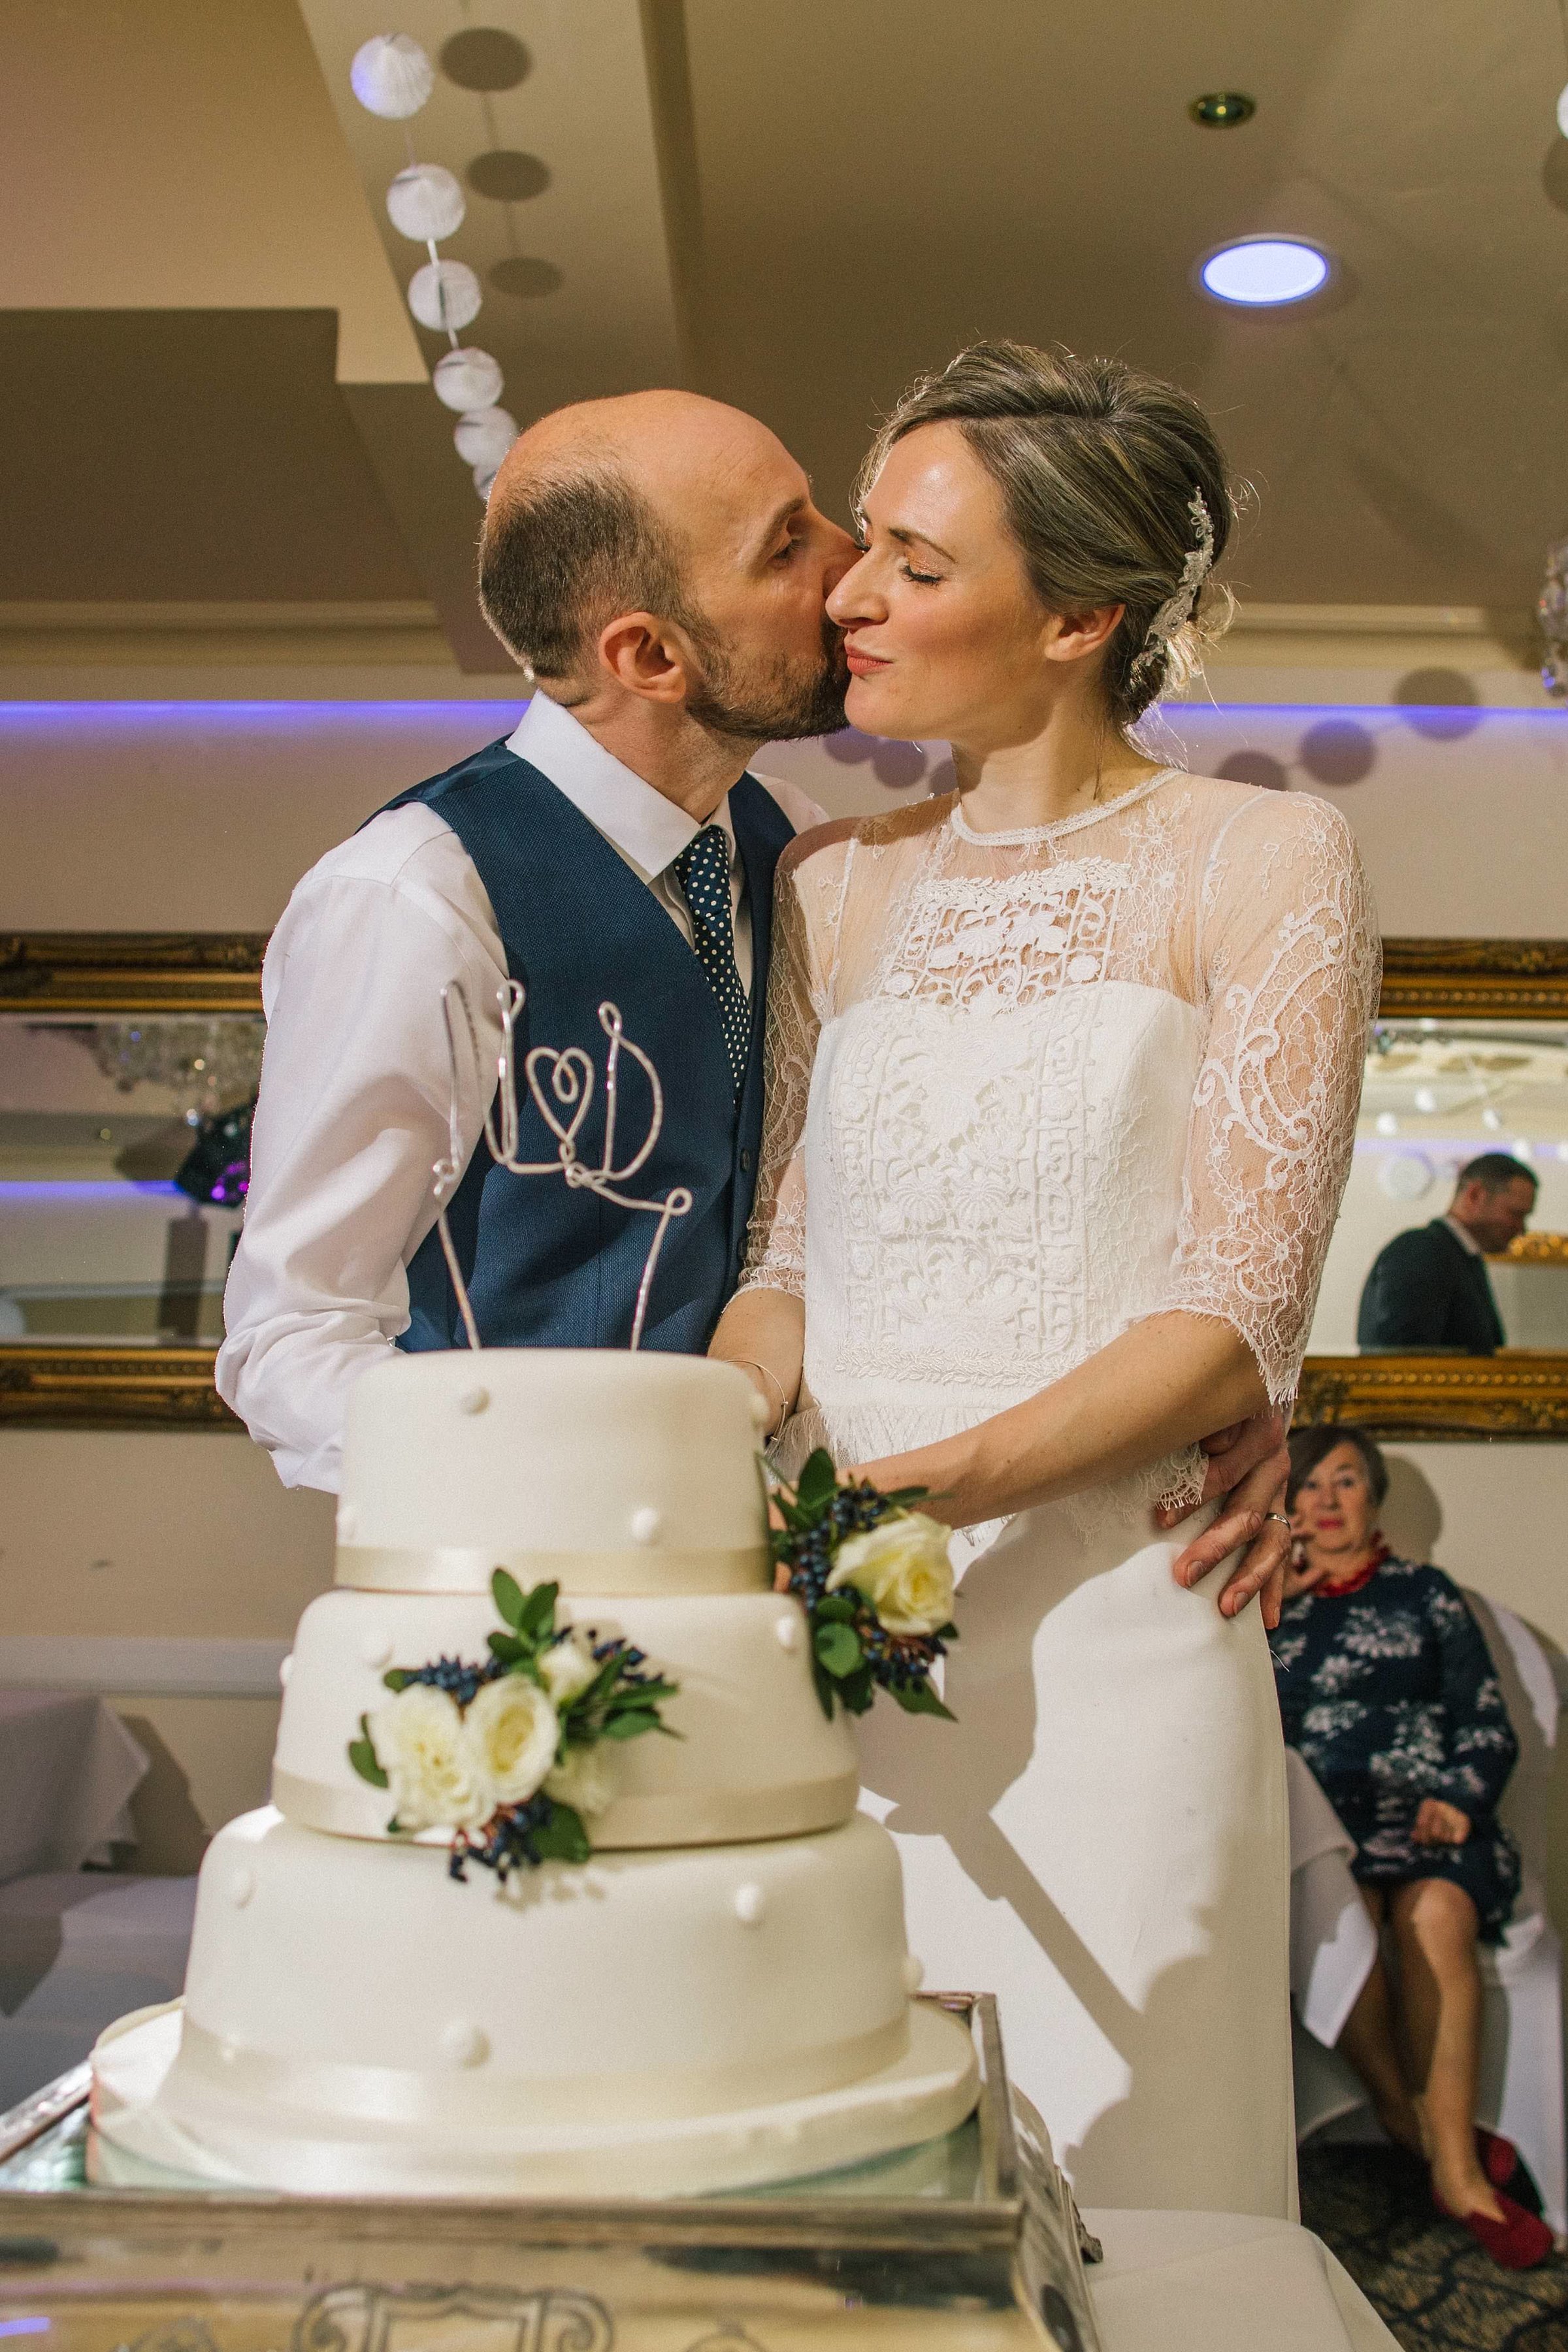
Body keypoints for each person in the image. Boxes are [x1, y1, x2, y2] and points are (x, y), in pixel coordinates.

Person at [710, 340, 1380, 2215]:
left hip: (1112, 1623)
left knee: (1129, 2181)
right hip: (831, 1622)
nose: (851, 592)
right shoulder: (826, 887)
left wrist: (911, 1500)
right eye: (868, 548)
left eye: (917, 568)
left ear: (1080, 612)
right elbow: (788, 1258)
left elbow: (1233, 1316)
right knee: (835, 2178)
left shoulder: (1262, 857)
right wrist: (712, 1434)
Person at [217, 392, 855, 1490]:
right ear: (650, 656)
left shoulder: (793, 840)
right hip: (531, 1595)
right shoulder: (417, 893)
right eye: (788, 545)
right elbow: (294, 1339)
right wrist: (548, 1487)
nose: (856, 562)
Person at [1271, 1424, 1550, 2268]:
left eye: (1346, 1482)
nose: (1325, 1501)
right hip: (1326, 1828)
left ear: (1375, 1498)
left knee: (1435, 1919)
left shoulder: (1425, 1594)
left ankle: (1459, 2172)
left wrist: (1460, 1801)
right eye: (1309, 1486)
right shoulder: (1265, 1605)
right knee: (1333, 1914)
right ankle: (1410, 2117)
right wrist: (1275, 1596)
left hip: (1428, 1818)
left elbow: (1488, 1722)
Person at [1356, 1152, 1537, 1355]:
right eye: (1516, 1214)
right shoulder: (1422, 1251)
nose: (1522, 1230)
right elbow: (1402, 1360)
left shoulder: (1458, 1257)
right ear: (1474, 1195)